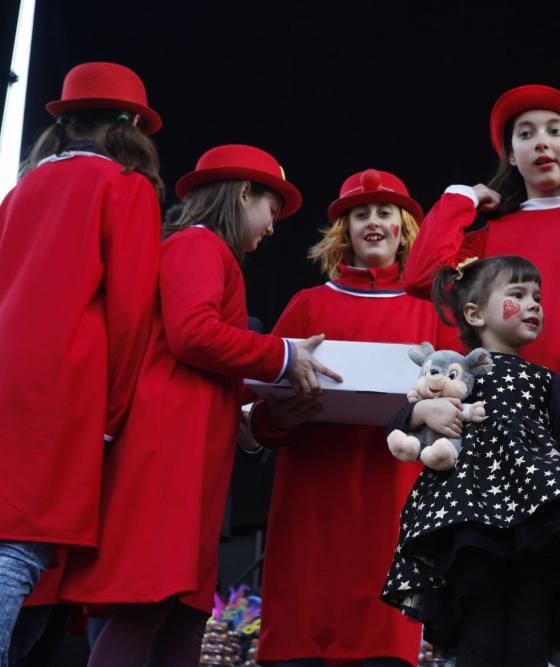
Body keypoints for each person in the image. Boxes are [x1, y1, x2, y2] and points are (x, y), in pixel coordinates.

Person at [58, 144, 338, 667]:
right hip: (168, 453)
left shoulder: (204, 251)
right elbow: (192, 334)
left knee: (185, 615)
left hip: (192, 458)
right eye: (271, 212)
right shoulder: (198, 245)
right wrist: (281, 354)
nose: (273, 229)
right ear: (245, 194)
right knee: (149, 603)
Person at [402, 85, 560, 664]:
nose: (542, 143)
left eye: (555, 131)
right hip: (502, 445)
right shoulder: (483, 236)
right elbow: (421, 274)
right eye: (525, 134)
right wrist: (460, 199)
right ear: (510, 155)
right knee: (502, 585)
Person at [249, 169, 456, 667]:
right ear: (343, 231)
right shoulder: (307, 305)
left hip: (392, 504)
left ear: (405, 227)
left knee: (382, 647)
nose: (373, 222)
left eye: (385, 212)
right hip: (310, 507)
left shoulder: (430, 311)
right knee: (301, 642)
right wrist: (281, 416)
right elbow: (257, 417)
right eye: (360, 214)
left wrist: (431, 413)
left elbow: (459, 414)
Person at [0, 61, 164, 664]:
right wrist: (113, 416)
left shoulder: (22, 189)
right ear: (130, 127)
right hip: (68, 389)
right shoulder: (125, 188)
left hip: (5, 377)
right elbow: (129, 317)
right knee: (22, 550)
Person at [383, 256, 560, 667]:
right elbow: (400, 421)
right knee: (480, 628)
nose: (533, 305)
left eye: (538, 297)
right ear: (474, 313)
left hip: (536, 526)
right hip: (471, 522)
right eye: (517, 295)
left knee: (531, 633)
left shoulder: (545, 380)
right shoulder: (454, 375)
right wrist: (424, 414)